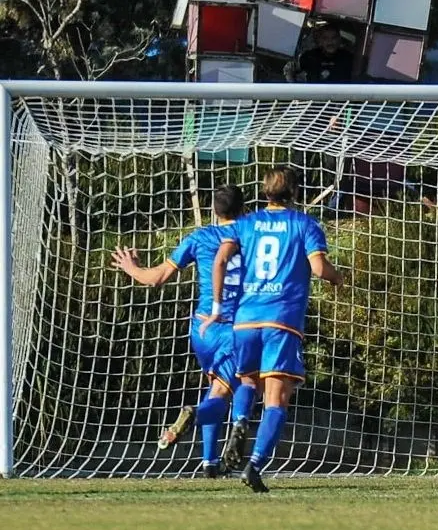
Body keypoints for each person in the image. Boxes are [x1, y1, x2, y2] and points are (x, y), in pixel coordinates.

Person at [209, 166, 343, 493]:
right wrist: (340, 278)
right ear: (295, 192)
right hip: (281, 319)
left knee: (246, 382)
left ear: (265, 191)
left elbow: (221, 260)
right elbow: (318, 267)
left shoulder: (245, 223)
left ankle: (239, 423)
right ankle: (254, 465)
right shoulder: (305, 224)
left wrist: (216, 305)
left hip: (246, 318)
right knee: (276, 399)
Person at [110, 184, 247, 478]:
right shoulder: (252, 237)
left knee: (216, 387)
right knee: (225, 394)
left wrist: (131, 268)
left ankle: (210, 464)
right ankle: (192, 416)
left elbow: (157, 278)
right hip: (234, 329)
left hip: (201, 330)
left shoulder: (199, 238)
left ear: (214, 210)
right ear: (244, 208)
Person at [289, 23, 354, 84]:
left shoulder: (348, 58)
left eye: (334, 38)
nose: (330, 42)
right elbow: (291, 71)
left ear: (339, 39)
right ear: (320, 40)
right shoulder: (309, 57)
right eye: (325, 38)